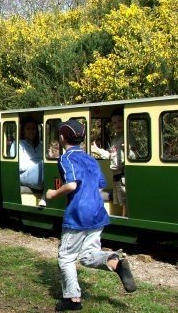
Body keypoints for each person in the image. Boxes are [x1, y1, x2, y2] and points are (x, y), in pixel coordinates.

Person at [46, 119, 136, 311]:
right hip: (96, 212)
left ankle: (73, 299)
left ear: (62, 138)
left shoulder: (66, 158)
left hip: (78, 213)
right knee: (87, 256)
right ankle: (115, 263)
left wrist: (53, 194)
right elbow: (100, 184)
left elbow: (71, 184)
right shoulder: (90, 159)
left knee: (66, 257)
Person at [91, 108, 135, 217]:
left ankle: (125, 221)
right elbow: (111, 155)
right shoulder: (115, 139)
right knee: (121, 202)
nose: (117, 124)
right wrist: (98, 150)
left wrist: (128, 150)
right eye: (114, 122)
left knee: (125, 202)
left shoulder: (128, 137)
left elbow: (133, 156)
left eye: (120, 121)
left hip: (123, 175)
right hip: (116, 176)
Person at [19, 117, 43, 190]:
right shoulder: (18, 144)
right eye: (28, 129)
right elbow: (19, 166)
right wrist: (37, 166)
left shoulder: (41, 144)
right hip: (24, 175)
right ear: (23, 131)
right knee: (45, 165)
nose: (31, 131)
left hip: (40, 173)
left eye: (33, 128)